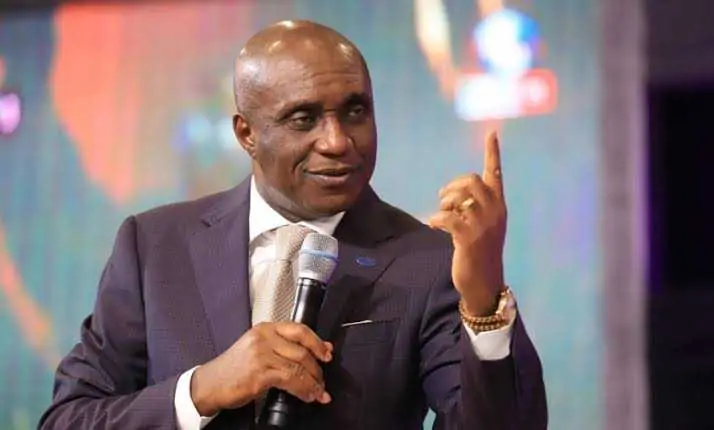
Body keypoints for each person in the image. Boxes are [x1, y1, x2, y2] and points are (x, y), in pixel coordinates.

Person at [38, 20, 546, 429]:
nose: (337, 141)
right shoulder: (154, 247)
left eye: (355, 111)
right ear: (246, 134)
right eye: (304, 119)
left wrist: (484, 301)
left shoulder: (427, 260)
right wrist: (203, 389)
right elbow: (69, 419)